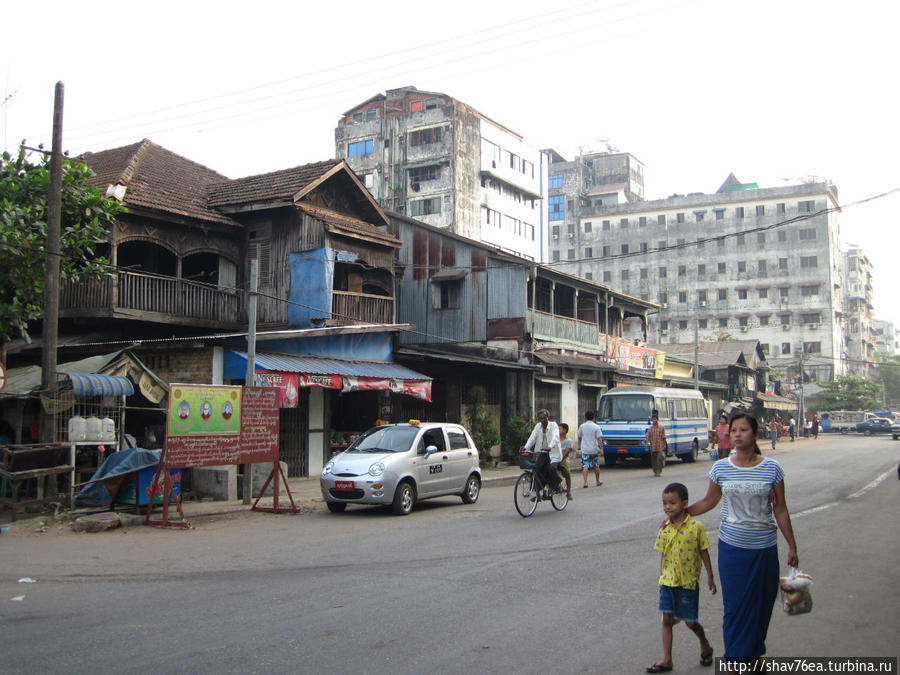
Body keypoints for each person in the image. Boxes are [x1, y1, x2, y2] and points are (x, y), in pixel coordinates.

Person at [686, 412, 799, 663]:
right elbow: (709, 501)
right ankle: (735, 660)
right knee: (735, 608)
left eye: (743, 430)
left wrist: (792, 545)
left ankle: (753, 653)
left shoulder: (772, 468)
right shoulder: (720, 468)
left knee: (761, 606)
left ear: (755, 434)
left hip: (764, 550)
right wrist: (681, 513)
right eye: (734, 430)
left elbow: (780, 509)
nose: (737, 434)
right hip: (732, 550)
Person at [646, 482, 717, 673]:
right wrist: (662, 577)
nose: (668, 507)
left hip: (688, 583)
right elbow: (663, 554)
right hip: (668, 582)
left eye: (672, 503)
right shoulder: (664, 529)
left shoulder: (696, 527)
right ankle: (667, 659)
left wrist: (710, 576)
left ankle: (704, 644)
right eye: (665, 503)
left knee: (691, 622)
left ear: (684, 504)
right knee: (667, 620)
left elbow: (704, 551)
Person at [520, 409, 562, 491]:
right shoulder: (537, 426)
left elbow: (555, 437)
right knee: (537, 470)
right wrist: (526, 448)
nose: (543, 420)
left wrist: (550, 446)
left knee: (551, 469)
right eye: (541, 418)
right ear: (538, 419)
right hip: (541, 453)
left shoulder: (553, 425)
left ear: (548, 417)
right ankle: (537, 491)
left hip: (553, 454)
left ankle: (557, 485)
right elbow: (532, 438)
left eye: (544, 418)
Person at [577, 410, 603, 487]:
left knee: (585, 465)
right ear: (594, 418)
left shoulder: (582, 426)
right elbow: (599, 439)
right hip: (594, 450)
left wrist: (583, 443)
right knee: (596, 465)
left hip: (585, 449)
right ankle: (597, 481)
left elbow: (579, 437)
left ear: (585, 417)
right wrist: (601, 449)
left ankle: (585, 482)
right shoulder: (596, 427)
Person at [646, 410, 667, 477]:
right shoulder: (650, 429)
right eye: (653, 419)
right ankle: (655, 471)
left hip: (660, 446)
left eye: (655, 419)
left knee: (660, 458)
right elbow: (647, 436)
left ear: (657, 420)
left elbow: (664, 437)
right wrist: (646, 443)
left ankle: (659, 471)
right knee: (654, 460)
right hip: (653, 447)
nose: (654, 420)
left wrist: (664, 444)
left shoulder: (661, 428)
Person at [558, 423, 574, 500]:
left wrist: (560, 459)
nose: (558, 430)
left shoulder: (568, 441)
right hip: (554, 458)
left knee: (567, 474)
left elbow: (567, 452)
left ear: (565, 430)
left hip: (563, 459)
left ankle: (568, 492)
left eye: (560, 429)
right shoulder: (555, 440)